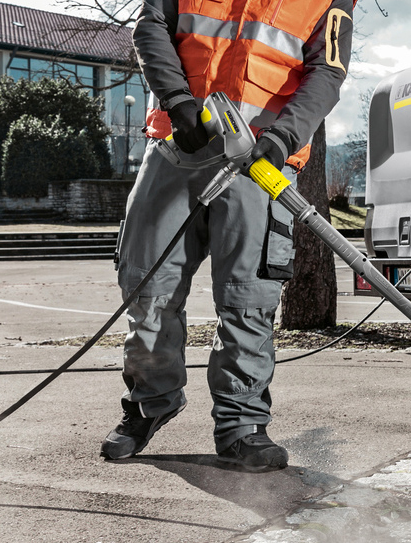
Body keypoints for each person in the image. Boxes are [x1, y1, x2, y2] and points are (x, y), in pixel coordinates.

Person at [101, 0, 354, 471]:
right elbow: (151, 27)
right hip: (178, 148)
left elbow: (328, 73)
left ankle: (242, 424)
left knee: (247, 297)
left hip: (259, 161)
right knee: (146, 286)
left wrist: (283, 138)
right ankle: (150, 403)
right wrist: (178, 102)